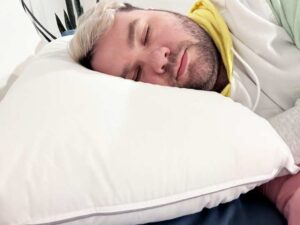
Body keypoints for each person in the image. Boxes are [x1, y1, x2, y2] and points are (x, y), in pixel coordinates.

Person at [69, 0, 300, 224]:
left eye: (146, 33)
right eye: (136, 75)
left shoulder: (250, 6)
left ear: (157, 10)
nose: (159, 58)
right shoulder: (199, 137)